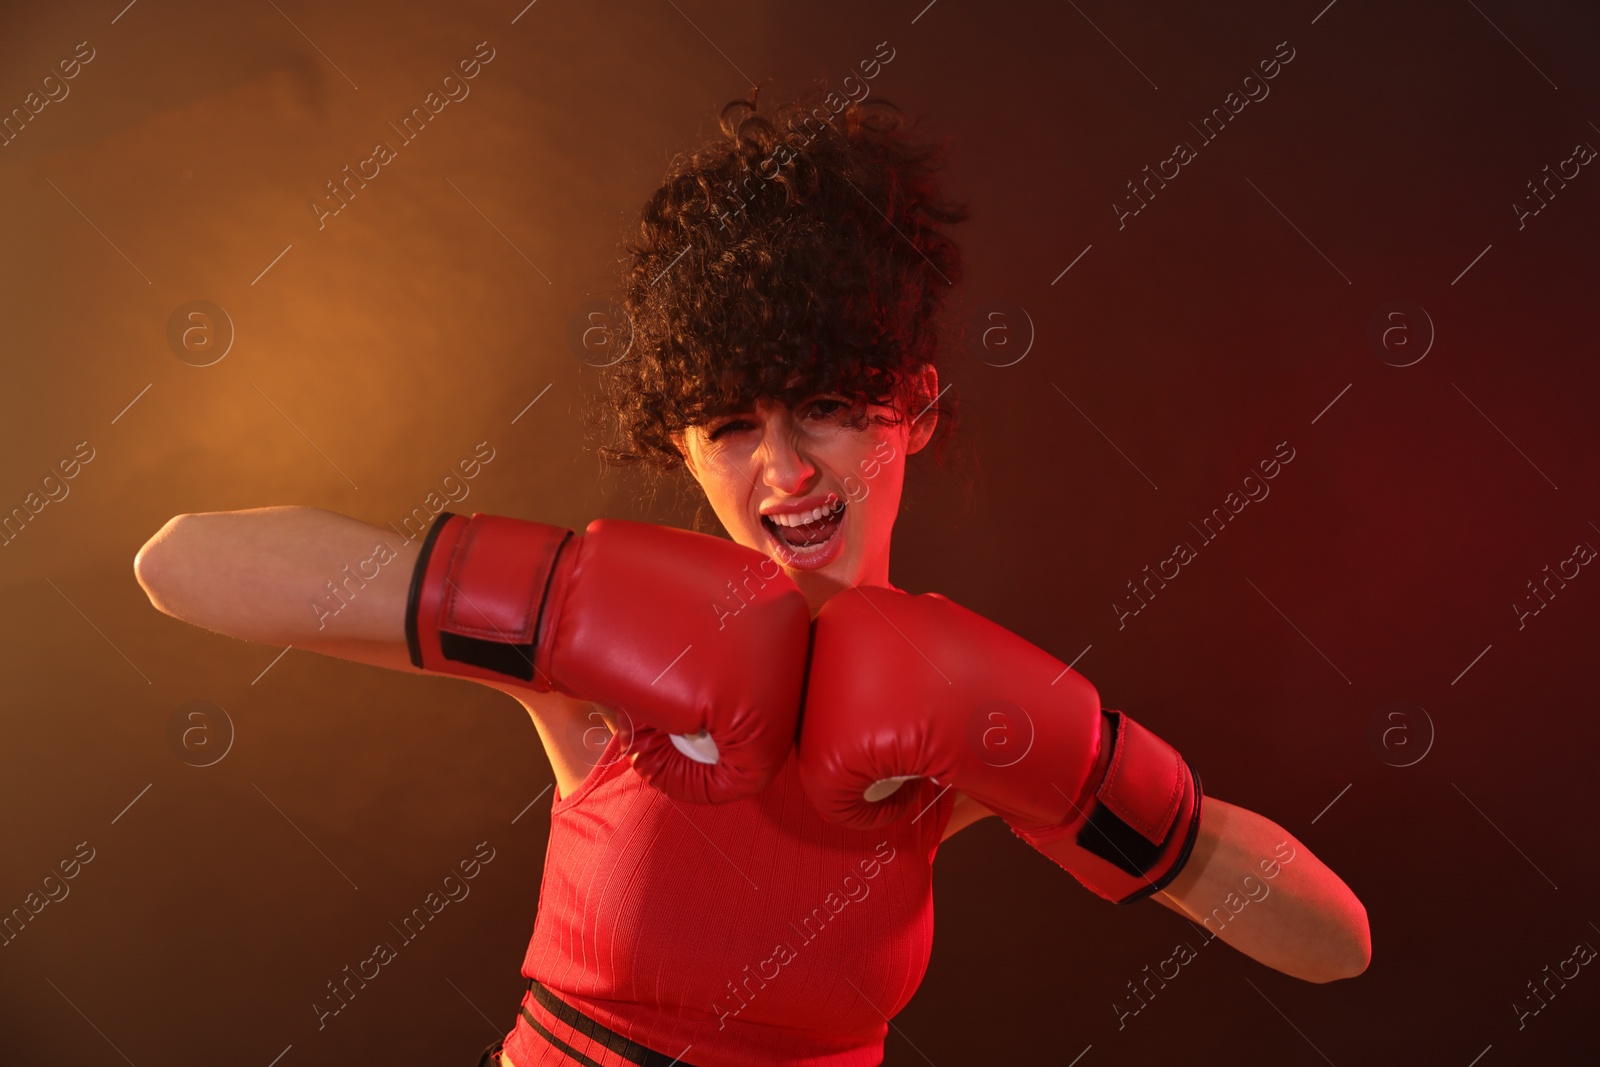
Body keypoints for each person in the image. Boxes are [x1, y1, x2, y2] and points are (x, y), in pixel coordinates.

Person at [133, 88, 1369, 1067]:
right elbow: (178, 564)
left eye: (826, 407)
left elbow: (1334, 946)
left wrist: (1091, 759)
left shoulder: (967, 723)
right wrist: (558, 601)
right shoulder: (594, 674)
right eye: (728, 424)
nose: (782, 467)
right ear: (677, 438)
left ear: (916, 407)